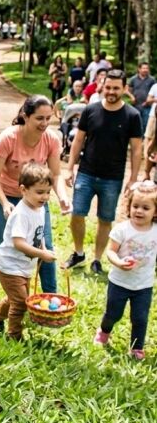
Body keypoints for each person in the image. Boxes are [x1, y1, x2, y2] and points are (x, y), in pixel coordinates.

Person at [0, 95, 70, 304]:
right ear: (25, 115)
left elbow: (56, 175)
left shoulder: (51, 139)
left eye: (49, 118)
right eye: (40, 118)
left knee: (45, 246)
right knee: (0, 244)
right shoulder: (8, 138)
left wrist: (63, 197)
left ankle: (51, 296)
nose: (45, 124)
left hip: (36, 200)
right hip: (3, 196)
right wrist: (5, 203)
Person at [64, 70, 143, 274]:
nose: (111, 91)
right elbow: (78, 140)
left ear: (124, 89)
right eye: (108, 87)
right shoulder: (91, 110)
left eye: (116, 88)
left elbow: (136, 149)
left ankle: (97, 259)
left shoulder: (132, 116)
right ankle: (79, 252)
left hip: (113, 177)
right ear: (102, 86)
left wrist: (133, 178)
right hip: (86, 172)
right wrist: (69, 167)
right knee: (77, 213)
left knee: (105, 219)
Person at [0, 162, 58, 340]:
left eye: (48, 192)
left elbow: (39, 233)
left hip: (23, 265)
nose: (45, 197)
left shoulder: (39, 210)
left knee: (14, 298)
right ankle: (14, 335)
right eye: (40, 192)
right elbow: (18, 243)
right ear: (24, 190)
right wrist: (41, 254)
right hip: (9, 266)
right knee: (21, 302)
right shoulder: (21, 214)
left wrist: (44, 248)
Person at [92, 181, 157, 360]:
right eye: (135, 206)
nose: (139, 211)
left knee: (140, 318)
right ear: (129, 207)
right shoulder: (122, 229)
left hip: (143, 285)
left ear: (155, 212)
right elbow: (111, 251)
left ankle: (137, 348)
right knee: (113, 313)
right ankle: (104, 331)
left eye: (145, 208)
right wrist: (119, 262)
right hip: (119, 282)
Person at [126, 62, 155, 136]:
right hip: (135, 105)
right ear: (139, 69)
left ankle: (143, 142)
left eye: (147, 68)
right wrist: (131, 96)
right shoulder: (133, 79)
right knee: (135, 123)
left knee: (145, 124)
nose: (145, 70)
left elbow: (154, 92)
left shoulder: (152, 80)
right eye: (143, 68)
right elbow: (127, 89)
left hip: (147, 106)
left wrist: (148, 102)